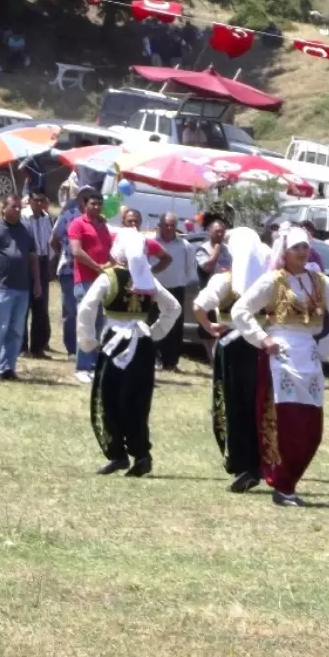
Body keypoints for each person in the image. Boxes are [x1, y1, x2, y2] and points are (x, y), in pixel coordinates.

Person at [232, 227, 329, 506]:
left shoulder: (321, 282)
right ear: (284, 251)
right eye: (296, 247)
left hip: (309, 353)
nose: (301, 251)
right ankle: (283, 484)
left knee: (311, 426)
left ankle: (290, 480)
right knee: (284, 422)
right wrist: (263, 338)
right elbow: (241, 310)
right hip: (280, 354)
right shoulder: (273, 280)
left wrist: (326, 348)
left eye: (305, 246)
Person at [78, 231, 181, 478]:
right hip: (142, 342)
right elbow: (173, 307)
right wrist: (153, 333)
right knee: (137, 400)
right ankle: (141, 454)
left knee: (108, 397)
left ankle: (117, 453)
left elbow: (86, 307)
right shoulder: (147, 278)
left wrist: (89, 341)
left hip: (115, 341)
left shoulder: (109, 277)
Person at [195, 228, 267, 493]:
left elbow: (198, 306)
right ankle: (260, 461)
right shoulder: (269, 280)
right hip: (262, 344)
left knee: (235, 405)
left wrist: (212, 326)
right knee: (261, 404)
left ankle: (242, 462)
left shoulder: (225, 280)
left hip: (234, 345)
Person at [0, 195, 40, 381]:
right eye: (14, 207)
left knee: (16, 330)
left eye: (19, 207)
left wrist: (36, 282)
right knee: (0, 328)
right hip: (2, 286)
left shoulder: (26, 230)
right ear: (4, 208)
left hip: (22, 287)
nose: (18, 210)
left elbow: (33, 257)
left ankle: (7, 368)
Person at [69, 189, 115, 384]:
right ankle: (82, 366)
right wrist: (97, 267)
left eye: (99, 204)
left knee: (99, 324)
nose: (96, 207)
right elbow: (76, 251)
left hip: (103, 281)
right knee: (85, 322)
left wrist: (113, 266)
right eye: (92, 204)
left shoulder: (103, 226)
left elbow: (108, 251)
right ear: (84, 205)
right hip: (85, 280)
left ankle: (95, 365)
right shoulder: (77, 224)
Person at [150, 212, 197, 371]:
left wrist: (181, 281)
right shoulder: (151, 242)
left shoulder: (185, 245)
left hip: (176, 289)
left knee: (175, 326)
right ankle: (153, 357)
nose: (170, 228)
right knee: (153, 322)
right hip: (154, 289)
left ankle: (171, 361)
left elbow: (191, 268)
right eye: (167, 225)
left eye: (173, 225)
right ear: (160, 225)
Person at [20, 192, 55, 358]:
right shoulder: (23, 216)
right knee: (24, 306)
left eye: (43, 200)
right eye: (37, 200)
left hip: (42, 262)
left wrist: (48, 266)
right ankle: (22, 347)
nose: (40, 203)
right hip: (26, 262)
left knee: (41, 307)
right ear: (30, 200)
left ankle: (38, 347)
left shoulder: (46, 218)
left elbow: (49, 243)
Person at [52, 189, 84, 358]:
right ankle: (71, 348)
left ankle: (84, 347)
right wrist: (63, 255)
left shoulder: (98, 220)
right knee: (70, 310)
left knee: (86, 310)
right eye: (85, 199)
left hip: (88, 272)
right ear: (80, 200)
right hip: (68, 270)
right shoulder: (69, 215)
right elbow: (54, 239)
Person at [196, 214, 232, 282]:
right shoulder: (202, 249)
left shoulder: (228, 248)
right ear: (210, 232)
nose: (220, 234)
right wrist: (216, 251)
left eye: (222, 231)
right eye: (217, 231)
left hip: (227, 287)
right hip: (210, 289)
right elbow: (208, 268)